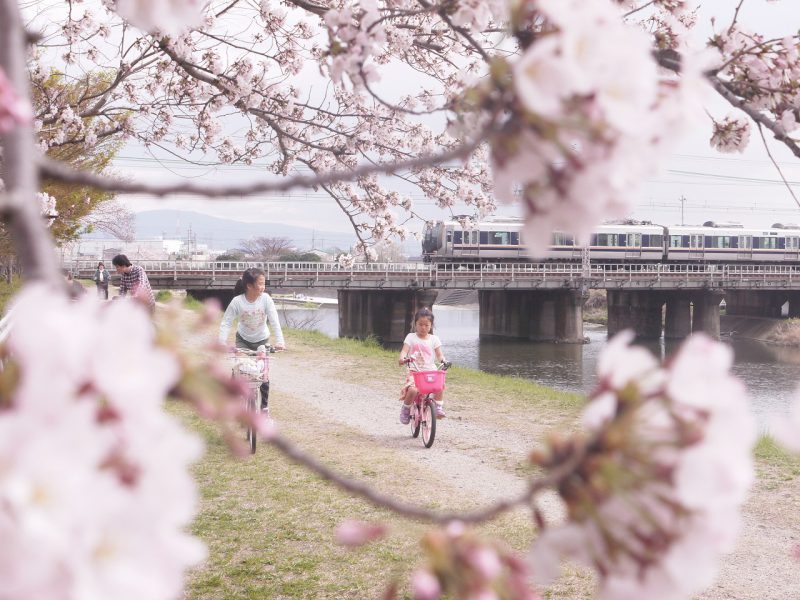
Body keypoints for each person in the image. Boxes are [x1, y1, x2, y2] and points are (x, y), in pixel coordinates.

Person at [218, 267, 286, 414]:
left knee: (262, 375)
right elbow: (226, 322)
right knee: (240, 370)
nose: (263, 287)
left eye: (264, 283)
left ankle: (264, 407)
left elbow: (274, 321)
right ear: (249, 285)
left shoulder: (266, 299)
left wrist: (280, 341)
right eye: (260, 284)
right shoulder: (237, 302)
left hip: (262, 341)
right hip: (242, 340)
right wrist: (221, 343)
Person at [398, 307, 447, 423]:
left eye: (427, 325)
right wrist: (402, 358)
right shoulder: (411, 337)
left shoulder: (434, 339)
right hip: (415, 371)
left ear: (431, 326)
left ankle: (438, 407)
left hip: (430, 371)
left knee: (439, 385)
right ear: (415, 324)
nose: (423, 328)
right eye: (420, 324)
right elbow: (404, 351)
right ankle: (406, 409)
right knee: (413, 390)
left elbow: (440, 355)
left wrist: (443, 361)